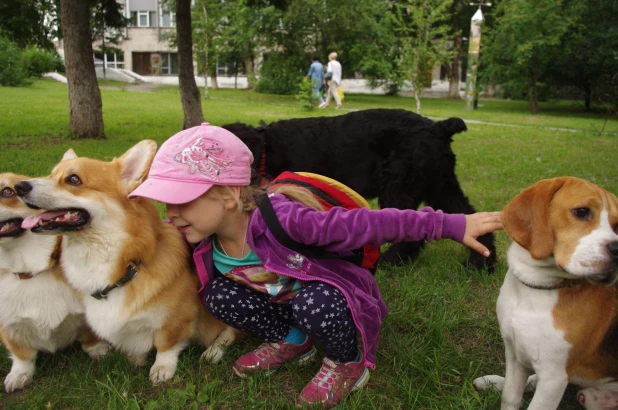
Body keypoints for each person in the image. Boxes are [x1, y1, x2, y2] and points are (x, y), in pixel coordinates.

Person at [129, 123, 503, 409]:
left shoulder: (286, 218)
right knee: (218, 294)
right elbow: (133, 238)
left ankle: (346, 361)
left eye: (180, 200)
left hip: (326, 299)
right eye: (166, 202)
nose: (171, 214)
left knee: (315, 304)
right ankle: (293, 341)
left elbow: (369, 224)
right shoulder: (194, 234)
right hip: (281, 304)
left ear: (227, 195)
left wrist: (448, 224)